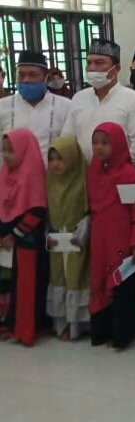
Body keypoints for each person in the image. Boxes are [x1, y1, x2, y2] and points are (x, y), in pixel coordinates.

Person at [87, 122, 135, 349]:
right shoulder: (93, 171)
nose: (99, 147)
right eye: (95, 143)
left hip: (121, 238)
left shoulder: (129, 174)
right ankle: (102, 331)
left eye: (105, 143)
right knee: (99, 280)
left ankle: (122, 333)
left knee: (122, 285)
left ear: (117, 144)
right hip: (100, 238)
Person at [62, 39, 135, 167]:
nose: (92, 68)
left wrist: (115, 170)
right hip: (84, 174)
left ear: (117, 68)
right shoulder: (79, 98)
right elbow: (67, 139)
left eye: (99, 63)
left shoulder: (133, 98)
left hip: (120, 173)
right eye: (89, 62)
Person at [0, 129, 50, 345]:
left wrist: (13, 235)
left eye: (11, 150)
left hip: (28, 242)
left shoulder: (32, 174)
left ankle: (25, 329)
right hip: (7, 243)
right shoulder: (4, 173)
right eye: (3, 150)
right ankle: (10, 323)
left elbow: (37, 211)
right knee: (9, 284)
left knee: (27, 285)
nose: (6, 155)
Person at [45, 136, 90, 341]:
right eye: (51, 159)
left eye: (60, 158)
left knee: (76, 277)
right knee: (58, 278)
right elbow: (46, 212)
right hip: (56, 240)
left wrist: (81, 230)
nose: (55, 164)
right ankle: (61, 325)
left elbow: (88, 211)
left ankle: (76, 326)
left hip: (77, 240)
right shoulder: (49, 181)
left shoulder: (83, 181)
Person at [0, 51, 71, 164]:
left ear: (46, 78)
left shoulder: (65, 106)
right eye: (21, 75)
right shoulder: (2, 106)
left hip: (51, 174)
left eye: (33, 75)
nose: (26, 80)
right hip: (12, 174)